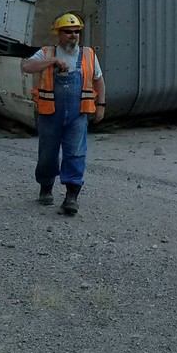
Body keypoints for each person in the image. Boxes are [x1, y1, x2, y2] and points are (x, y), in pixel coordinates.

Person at [20, 12, 105, 216]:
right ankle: (46, 187)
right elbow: (27, 67)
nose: (73, 35)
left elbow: (99, 80)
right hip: (50, 114)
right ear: (58, 33)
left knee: (75, 153)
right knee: (48, 154)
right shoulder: (47, 53)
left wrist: (101, 104)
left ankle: (71, 196)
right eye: (68, 31)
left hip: (78, 114)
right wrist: (52, 61)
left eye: (76, 31)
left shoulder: (88, 55)